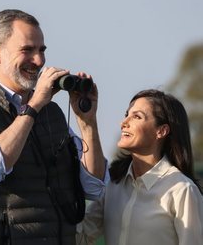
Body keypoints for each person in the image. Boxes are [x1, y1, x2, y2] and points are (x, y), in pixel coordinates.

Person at [0, 9, 108, 245]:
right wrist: (34, 106)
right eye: (27, 50)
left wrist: (87, 122)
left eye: (41, 50)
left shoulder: (51, 113)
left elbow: (94, 187)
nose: (39, 61)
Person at [76, 89, 203, 245]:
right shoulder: (112, 185)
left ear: (161, 131)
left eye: (136, 116)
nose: (124, 123)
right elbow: (80, 237)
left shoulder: (182, 189)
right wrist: (86, 121)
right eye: (126, 115)